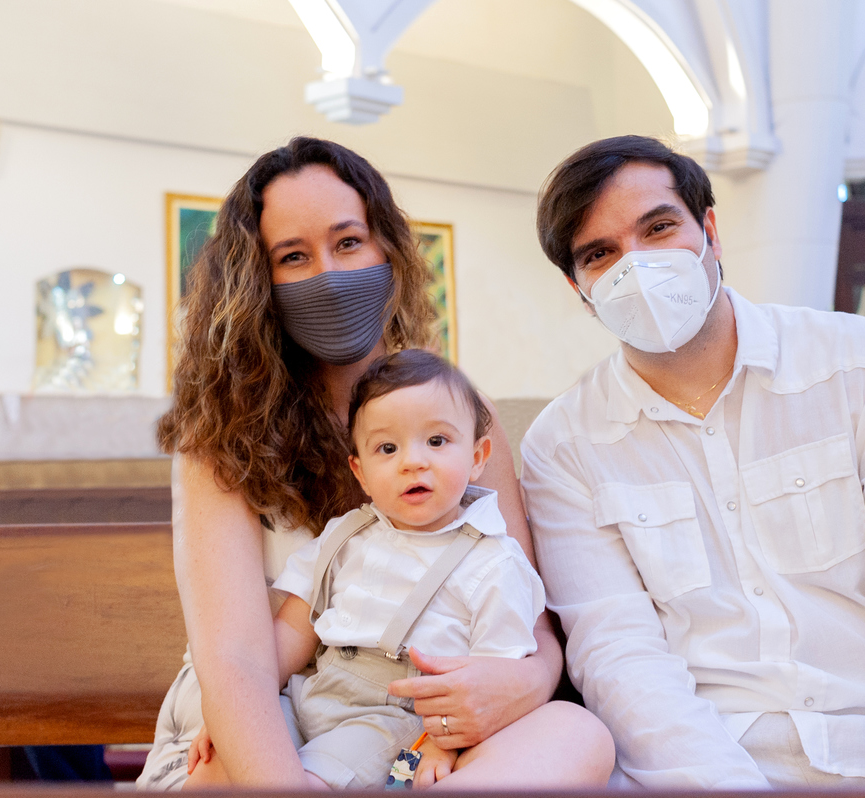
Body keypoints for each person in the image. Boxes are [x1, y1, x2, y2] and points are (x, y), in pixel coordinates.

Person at [520, 135, 865, 790]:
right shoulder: (563, 446)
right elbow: (619, 656)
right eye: (600, 254)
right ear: (578, 288)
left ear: (710, 232)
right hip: (705, 762)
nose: (634, 266)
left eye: (658, 228)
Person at [137, 136, 613, 790]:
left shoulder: (463, 416)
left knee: (576, 737)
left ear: (386, 247)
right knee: (233, 771)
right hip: (269, 702)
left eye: (348, 243)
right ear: (258, 282)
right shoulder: (222, 434)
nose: (329, 275)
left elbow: (530, 624)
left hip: (419, 716)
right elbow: (238, 659)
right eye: (294, 257)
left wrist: (516, 686)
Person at [186, 349, 547, 789]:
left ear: (477, 456)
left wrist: (443, 741)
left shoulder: (494, 562)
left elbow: (494, 678)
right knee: (220, 769)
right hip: (313, 690)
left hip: (395, 717)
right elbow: (297, 629)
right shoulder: (348, 536)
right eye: (387, 448)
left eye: (436, 441)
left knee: (315, 778)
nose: (412, 461)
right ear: (359, 471)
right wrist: (235, 712)